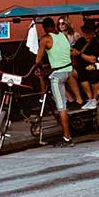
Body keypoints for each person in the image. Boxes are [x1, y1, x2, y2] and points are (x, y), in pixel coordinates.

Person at [34, 17, 74, 146]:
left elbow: (38, 60)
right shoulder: (63, 35)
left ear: (44, 28)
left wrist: (39, 67)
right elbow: (62, 54)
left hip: (58, 75)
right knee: (62, 96)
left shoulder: (45, 39)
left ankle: (67, 137)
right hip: (68, 70)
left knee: (61, 107)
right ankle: (71, 99)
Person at [72, 21, 99, 110]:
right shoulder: (81, 41)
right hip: (80, 66)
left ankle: (93, 99)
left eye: (87, 33)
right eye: (84, 33)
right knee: (70, 73)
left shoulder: (96, 42)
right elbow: (74, 50)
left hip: (94, 66)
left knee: (85, 73)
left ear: (93, 33)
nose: (85, 35)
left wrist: (80, 54)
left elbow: (94, 59)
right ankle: (84, 98)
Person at [57, 17, 85, 106]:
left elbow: (80, 49)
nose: (60, 26)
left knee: (68, 74)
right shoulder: (58, 37)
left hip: (74, 62)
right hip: (63, 62)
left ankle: (78, 98)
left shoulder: (74, 35)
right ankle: (70, 99)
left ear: (67, 24)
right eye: (59, 24)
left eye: (63, 23)